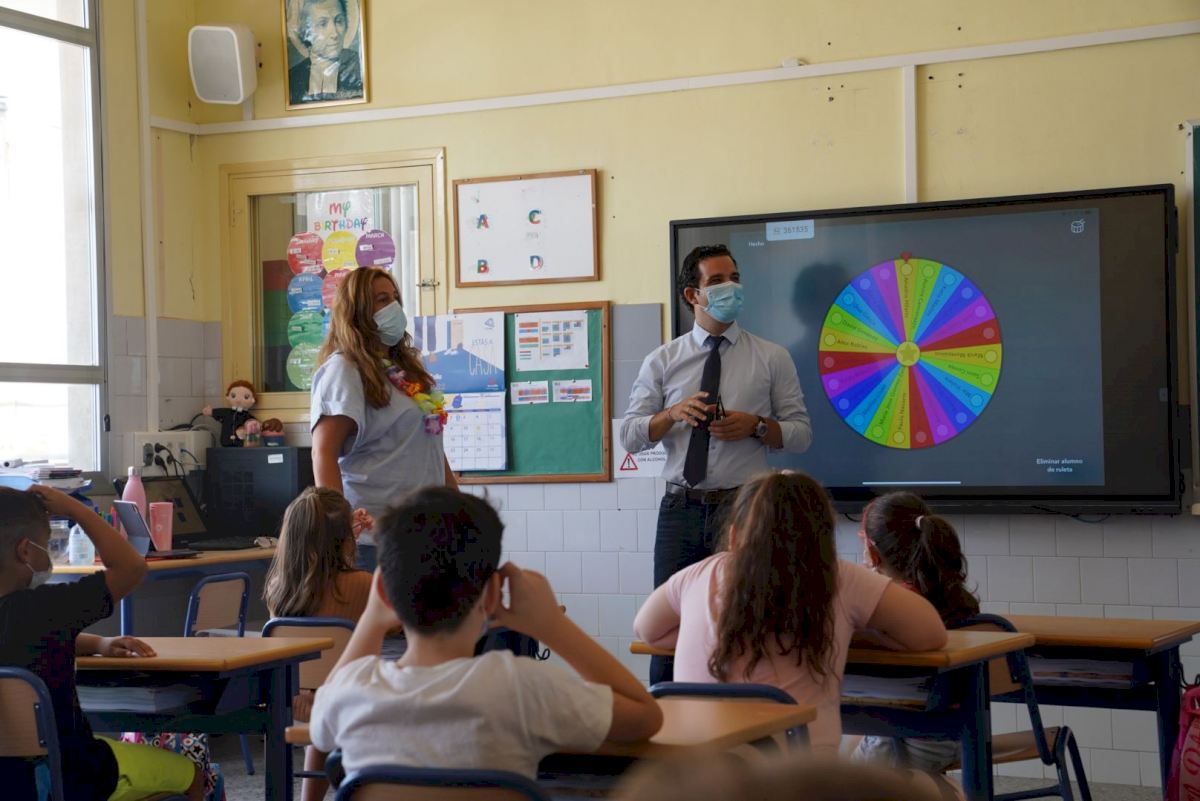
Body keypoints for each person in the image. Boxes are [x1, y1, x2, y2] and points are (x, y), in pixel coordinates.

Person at [308, 486, 663, 779]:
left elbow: (319, 730)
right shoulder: (524, 687)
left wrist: (372, 619)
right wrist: (553, 626)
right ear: (492, 594)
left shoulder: (350, 692)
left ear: (382, 592)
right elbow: (646, 717)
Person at [632, 471, 947, 752]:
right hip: (797, 778)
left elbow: (647, 630)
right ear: (822, 535)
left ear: (734, 536)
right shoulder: (838, 576)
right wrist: (855, 634)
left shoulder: (699, 574)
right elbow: (930, 634)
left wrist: (709, 632)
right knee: (928, 787)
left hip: (700, 774)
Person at [620, 243, 813, 683]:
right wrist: (671, 414)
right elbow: (629, 436)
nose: (732, 288)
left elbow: (801, 434)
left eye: (735, 278)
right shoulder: (662, 360)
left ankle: (744, 717)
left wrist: (757, 426)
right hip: (680, 510)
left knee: (749, 622)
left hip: (745, 511)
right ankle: (667, 717)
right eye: (718, 281)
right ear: (693, 295)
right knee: (668, 631)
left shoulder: (771, 357)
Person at [0, 486, 203, 801]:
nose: (49, 555)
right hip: (73, 775)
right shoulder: (46, 609)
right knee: (193, 775)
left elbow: (23, 644)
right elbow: (132, 568)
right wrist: (76, 510)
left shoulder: (38, 621)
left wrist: (100, 644)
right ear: (25, 551)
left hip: (11, 783)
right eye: (47, 545)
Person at [311, 266, 456, 571]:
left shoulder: (406, 370)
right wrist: (340, 530)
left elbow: (429, 446)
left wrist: (460, 508)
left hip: (428, 534)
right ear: (358, 310)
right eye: (382, 300)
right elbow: (323, 452)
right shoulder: (344, 369)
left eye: (395, 298)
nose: (394, 307)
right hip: (374, 541)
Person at [852, 492, 980, 783]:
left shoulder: (889, 609)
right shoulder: (954, 598)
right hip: (958, 735)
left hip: (906, 740)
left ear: (872, 554)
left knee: (835, 783)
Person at [262, 485, 374, 801]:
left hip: (293, 701)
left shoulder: (277, 588)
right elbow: (397, 625)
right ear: (345, 538)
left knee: (322, 697)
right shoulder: (363, 584)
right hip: (349, 703)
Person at [287, 0, 364, 106]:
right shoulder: (293, 77)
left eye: (339, 21)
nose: (335, 34)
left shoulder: (358, 69)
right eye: (323, 24)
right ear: (305, 32)